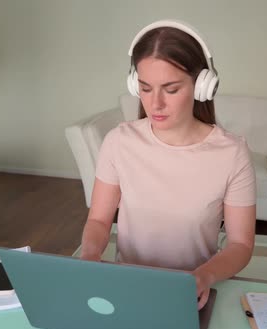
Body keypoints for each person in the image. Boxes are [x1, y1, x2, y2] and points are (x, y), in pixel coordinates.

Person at [79, 20, 256, 310]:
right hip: (126, 289)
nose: (155, 103)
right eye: (145, 88)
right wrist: (89, 255)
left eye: (171, 89)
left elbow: (241, 245)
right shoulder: (118, 142)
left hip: (191, 295)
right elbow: (98, 220)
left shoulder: (232, 153)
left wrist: (203, 276)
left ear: (201, 86)